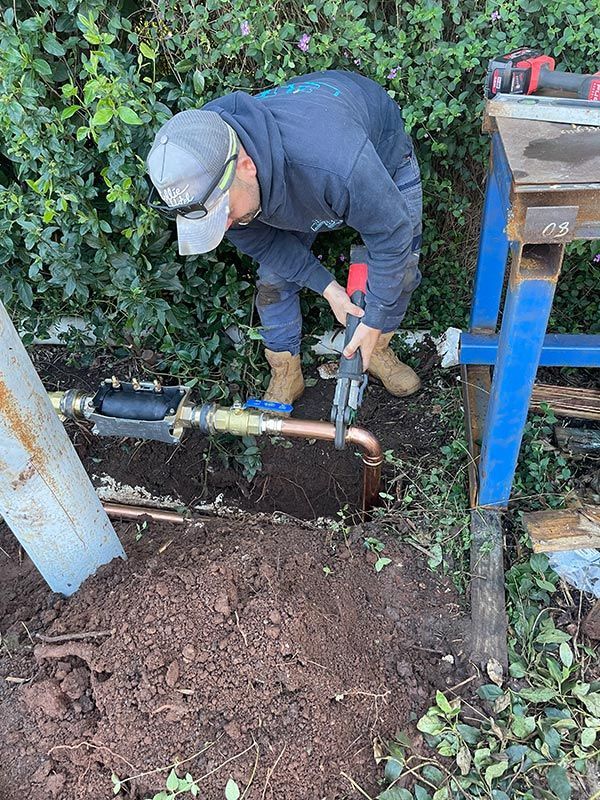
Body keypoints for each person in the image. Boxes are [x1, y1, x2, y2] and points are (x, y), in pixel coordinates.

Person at [145, 70, 423, 408]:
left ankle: (375, 347)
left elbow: (391, 234)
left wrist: (375, 316)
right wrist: (329, 289)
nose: (227, 225)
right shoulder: (207, 157)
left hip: (377, 155)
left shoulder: (334, 162)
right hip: (292, 178)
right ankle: (285, 372)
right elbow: (268, 245)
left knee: (402, 268)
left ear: (246, 166)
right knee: (275, 279)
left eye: (226, 213)